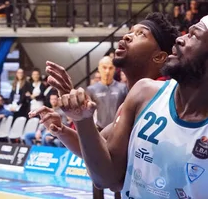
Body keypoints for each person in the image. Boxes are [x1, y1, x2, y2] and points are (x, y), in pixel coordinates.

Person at [51, 15, 208, 197]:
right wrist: (78, 120)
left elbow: (102, 159)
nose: (180, 39)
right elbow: (103, 163)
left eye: (194, 35)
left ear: (159, 56)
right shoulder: (143, 93)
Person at [32, 13, 178, 159]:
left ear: (159, 57)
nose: (127, 36)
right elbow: (97, 148)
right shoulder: (134, 98)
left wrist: (82, 119)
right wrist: (61, 130)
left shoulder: (164, 94)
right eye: (130, 31)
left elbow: (107, 174)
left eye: (141, 34)